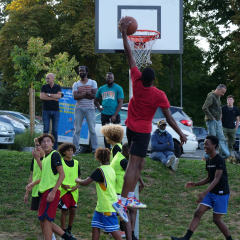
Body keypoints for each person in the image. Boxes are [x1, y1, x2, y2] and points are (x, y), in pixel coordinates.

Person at [112, 16, 187, 222]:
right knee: (133, 164)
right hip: (143, 131)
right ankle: (122, 200)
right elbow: (170, 119)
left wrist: (123, 33)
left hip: (131, 128)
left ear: (141, 77)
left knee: (141, 163)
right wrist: (180, 133)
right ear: (153, 80)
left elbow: (130, 55)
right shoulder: (159, 95)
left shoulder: (136, 80)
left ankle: (131, 197)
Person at [171, 135, 232, 240]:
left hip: (221, 193)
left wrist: (204, 192)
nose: (204, 146)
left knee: (217, 220)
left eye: (206, 144)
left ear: (213, 145)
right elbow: (209, 178)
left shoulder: (219, 159)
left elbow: (217, 179)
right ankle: (186, 238)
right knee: (198, 213)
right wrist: (195, 184)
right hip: (211, 192)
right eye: (204, 144)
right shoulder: (208, 160)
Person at [26, 133, 76, 240]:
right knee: (43, 219)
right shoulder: (46, 157)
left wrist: (53, 191)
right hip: (44, 191)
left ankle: (64, 237)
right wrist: (31, 184)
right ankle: (68, 238)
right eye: (43, 142)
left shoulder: (55, 154)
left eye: (48, 141)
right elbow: (45, 174)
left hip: (51, 190)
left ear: (52, 144)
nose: (45, 143)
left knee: (47, 220)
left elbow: (62, 175)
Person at [75, 148, 122, 240]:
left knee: (114, 230)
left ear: (98, 158)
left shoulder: (99, 171)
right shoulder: (111, 169)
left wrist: (77, 180)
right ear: (109, 158)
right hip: (101, 206)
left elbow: (85, 183)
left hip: (107, 206)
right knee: (95, 226)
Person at [24, 138, 56, 240]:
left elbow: (46, 175)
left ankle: (52, 236)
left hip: (45, 190)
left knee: (45, 219)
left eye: (39, 145)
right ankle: (47, 236)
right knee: (41, 218)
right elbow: (32, 175)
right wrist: (27, 192)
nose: (38, 148)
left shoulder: (47, 159)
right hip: (36, 191)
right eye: (36, 145)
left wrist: (38, 160)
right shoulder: (34, 159)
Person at [110, 142, 143, 240]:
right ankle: (131, 236)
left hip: (117, 192)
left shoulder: (118, 157)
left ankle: (131, 235)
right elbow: (134, 172)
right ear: (128, 151)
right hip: (118, 193)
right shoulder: (122, 161)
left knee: (131, 211)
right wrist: (143, 183)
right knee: (129, 212)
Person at [72, 66, 98, 155]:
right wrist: (87, 93)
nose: (81, 72)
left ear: (86, 72)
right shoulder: (76, 84)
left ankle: (95, 150)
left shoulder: (92, 82)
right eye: (80, 71)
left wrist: (81, 95)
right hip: (78, 108)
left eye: (82, 71)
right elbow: (75, 97)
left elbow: (94, 95)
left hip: (90, 108)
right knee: (77, 129)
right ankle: (75, 149)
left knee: (92, 129)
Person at [94, 72, 124, 149]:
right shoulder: (101, 88)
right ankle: (108, 151)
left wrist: (114, 115)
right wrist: (99, 108)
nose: (109, 79)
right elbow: (95, 100)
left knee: (117, 135)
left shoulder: (118, 88)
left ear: (113, 79)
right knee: (106, 134)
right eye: (108, 78)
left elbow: (120, 102)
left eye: (111, 78)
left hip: (115, 114)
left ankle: (119, 151)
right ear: (106, 78)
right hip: (104, 114)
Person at [58, 143, 81, 239]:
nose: (70, 152)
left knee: (73, 210)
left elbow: (79, 176)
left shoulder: (76, 162)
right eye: (68, 150)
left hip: (74, 191)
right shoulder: (61, 162)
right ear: (64, 152)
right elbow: (57, 176)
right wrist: (62, 185)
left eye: (72, 150)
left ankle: (69, 230)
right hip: (64, 190)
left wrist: (77, 186)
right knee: (64, 211)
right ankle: (63, 233)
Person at [202, 84, 230, 159]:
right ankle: (207, 156)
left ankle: (227, 155)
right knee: (212, 139)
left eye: (224, 93)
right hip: (211, 121)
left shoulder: (218, 97)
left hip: (217, 121)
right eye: (222, 92)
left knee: (222, 137)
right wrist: (212, 118)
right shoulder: (211, 96)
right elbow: (204, 108)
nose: (223, 94)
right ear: (218, 90)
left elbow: (217, 108)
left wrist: (218, 117)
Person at [40, 73, 62, 150]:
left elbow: (59, 96)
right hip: (46, 110)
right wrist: (53, 97)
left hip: (56, 111)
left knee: (54, 130)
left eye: (48, 78)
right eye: (46, 78)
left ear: (53, 78)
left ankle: (54, 149)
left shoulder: (58, 86)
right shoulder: (44, 86)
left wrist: (48, 95)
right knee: (45, 129)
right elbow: (42, 97)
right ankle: (44, 147)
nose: (47, 80)